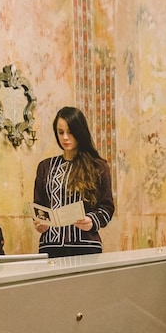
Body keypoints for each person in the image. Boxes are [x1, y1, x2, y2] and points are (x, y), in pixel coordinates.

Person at [32, 107, 115, 257]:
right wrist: (39, 223)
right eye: (60, 132)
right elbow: (39, 206)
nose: (65, 137)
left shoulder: (98, 166)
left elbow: (107, 207)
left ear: (80, 132)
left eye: (70, 132)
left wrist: (92, 220)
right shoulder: (45, 167)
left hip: (86, 246)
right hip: (50, 247)